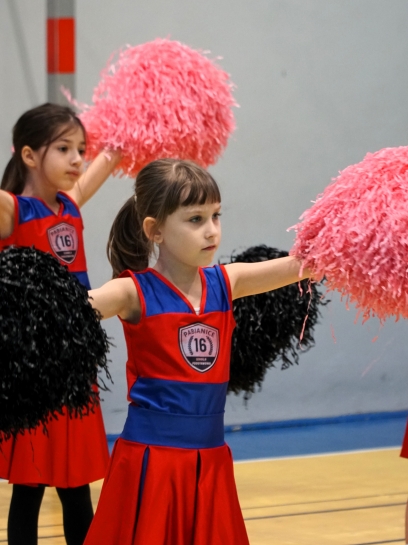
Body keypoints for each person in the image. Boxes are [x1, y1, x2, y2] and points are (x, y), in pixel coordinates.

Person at [84, 158, 311, 545]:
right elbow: (70, 312)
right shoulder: (132, 291)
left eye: (216, 216)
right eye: (195, 220)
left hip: (210, 462)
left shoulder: (227, 281)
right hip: (150, 464)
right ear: (154, 230)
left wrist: (352, 241)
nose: (211, 231)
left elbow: (301, 265)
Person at [0, 103, 120, 545]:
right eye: (65, 148)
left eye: (82, 149)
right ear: (29, 155)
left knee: (76, 487)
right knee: (29, 487)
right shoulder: (13, 210)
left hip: (75, 367)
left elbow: (114, 155)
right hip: (33, 372)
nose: (78, 159)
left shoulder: (71, 204)